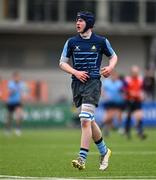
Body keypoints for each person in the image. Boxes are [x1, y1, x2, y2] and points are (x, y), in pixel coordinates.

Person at [59, 11, 118, 170]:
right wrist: (75, 72)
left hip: (93, 83)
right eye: (76, 20)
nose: (77, 23)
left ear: (89, 24)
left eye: (81, 21)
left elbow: (113, 56)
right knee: (89, 120)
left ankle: (82, 158)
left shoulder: (101, 41)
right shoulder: (71, 42)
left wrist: (110, 67)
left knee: (84, 119)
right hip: (77, 84)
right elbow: (62, 63)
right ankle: (104, 151)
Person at [124, 65, 146, 139]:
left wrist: (142, 95)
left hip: (137, 100)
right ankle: (127, 131)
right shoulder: (127, 79)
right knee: (128, 116)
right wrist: (131, 93)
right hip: (129, 100)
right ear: (131, 72)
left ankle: (140, 131)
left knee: (139, 116)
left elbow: (142, 89)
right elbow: (124, 90)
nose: (135, 73)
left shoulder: (140, 79)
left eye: (136, 72)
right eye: (134, 72)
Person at [101, 71, 125, 136]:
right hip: (109, 102)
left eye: (115, 76)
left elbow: (123, 91)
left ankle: (120, 128)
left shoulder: (119, 83)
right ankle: (104, 126)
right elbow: (102, 91)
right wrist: (105, 96)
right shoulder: (106, 82)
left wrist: (123, 96)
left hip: (118, 101)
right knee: (110, 116)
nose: (114, 77)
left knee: (119, 115)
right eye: (113, 76)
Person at [5, 72, 25, 136]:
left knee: (19, 115)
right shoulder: (11, 84)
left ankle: (18, 129)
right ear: (13, 77)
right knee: (9, 117)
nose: (17, 78)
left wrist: (22, 100)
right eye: (16, 77)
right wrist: (14, 90)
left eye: (18, 77)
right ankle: (8, 129)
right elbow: (10, 93)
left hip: (17, 102)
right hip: (11, 102)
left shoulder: (21, 84)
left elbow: (22, 93)